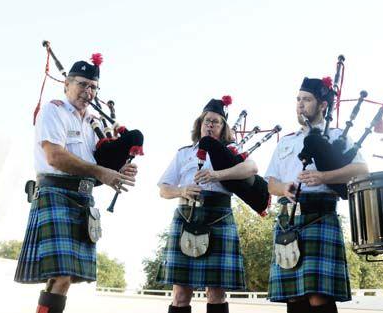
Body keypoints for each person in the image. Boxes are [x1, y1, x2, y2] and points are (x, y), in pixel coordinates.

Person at [14, 54, 138, 313]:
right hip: (56, 193)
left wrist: (116, 171)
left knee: (65, 279)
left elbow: (95, 167)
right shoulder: (53, 111)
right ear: (66, 85)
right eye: (82, 84)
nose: (88, 91)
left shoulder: (94, 122)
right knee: (60, 275)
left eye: (93, 87)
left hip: (83, 199)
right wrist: (101, 172)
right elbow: (55, 156)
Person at [265, 77, 368, 313]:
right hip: (287, 220)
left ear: (323, 105)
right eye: (298, 99)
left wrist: (324, 177)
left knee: (318, 296)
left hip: (320, 216)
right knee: (293, 297)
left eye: (307, 100)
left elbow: (361, 170)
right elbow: (270, 183)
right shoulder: (286, 142)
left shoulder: (336, 135)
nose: (300, 104)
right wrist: (283, 189)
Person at [157, 96, 258, 313]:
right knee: (181, 294)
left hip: (219, 216)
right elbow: (164, 189)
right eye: (206, 121)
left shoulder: (230, 152)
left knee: (216, 294)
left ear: (223, 128)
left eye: (216, 122)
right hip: (186, 216)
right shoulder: (185, 153)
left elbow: (251, 169)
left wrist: (216, 175)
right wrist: (181, 190)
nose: (210, 125)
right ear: (200, 124)